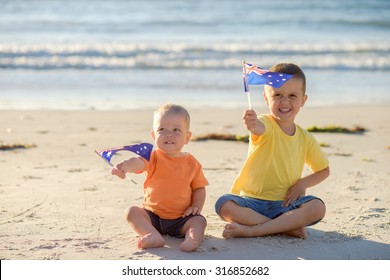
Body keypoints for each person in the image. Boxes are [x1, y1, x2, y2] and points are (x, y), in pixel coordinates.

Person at [215, 63, 330, 239]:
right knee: (224, 204)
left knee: (317, 207)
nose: (285, 101)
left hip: (285, 205)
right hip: (251, 203)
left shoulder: (306, 138)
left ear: (303, 100)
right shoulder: (266, 123)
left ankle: (256, 229)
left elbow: (323, 171)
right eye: (277, 95)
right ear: (266, 99)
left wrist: (302, 184)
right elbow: (258, 128)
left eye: (292, 95)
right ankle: (284, 227)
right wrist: (252, 124)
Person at [112, 104, 208, 252]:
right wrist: (125, 166)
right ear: (153, 135)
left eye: (176, 130)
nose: (169, 134)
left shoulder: (192, 163)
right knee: (131, 212)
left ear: (187, 137)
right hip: (153, 217)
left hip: (182, 219)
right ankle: (151, 234)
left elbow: (199, 188)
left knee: (199, 221)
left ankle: (193, 237)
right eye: (162, 130)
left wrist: (196, 205)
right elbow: (137, 163)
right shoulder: (152, 157)